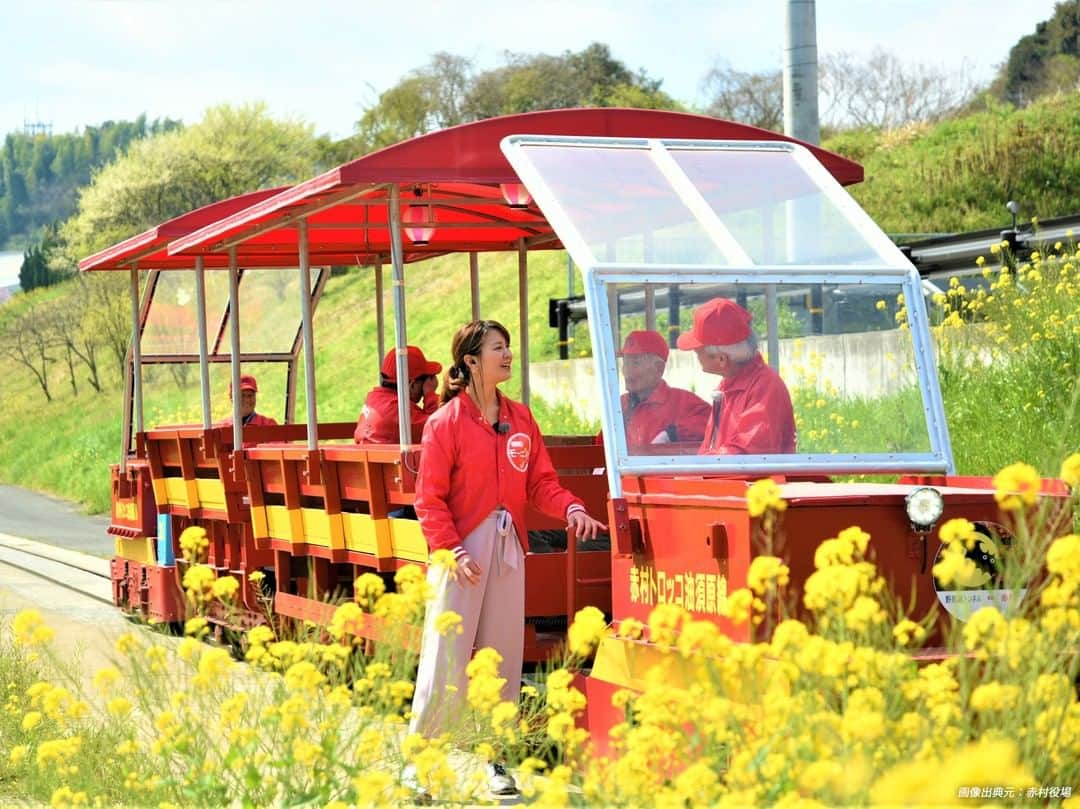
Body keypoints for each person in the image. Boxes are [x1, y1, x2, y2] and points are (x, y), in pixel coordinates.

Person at [406, 320, 606, 798]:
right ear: (471, 361)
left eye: (509, 347)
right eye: (499, 348)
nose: (508, 355)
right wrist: (452, 550)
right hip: (458, 551)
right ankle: (419, 765)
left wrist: (573, 508)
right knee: (445, 659)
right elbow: (428, 499)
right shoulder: (445, 423)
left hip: (508, 549)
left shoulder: (520, 419)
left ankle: (495, 760)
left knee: (501, 658)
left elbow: (540, 482)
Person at [676, 297, 796, 455]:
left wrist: (696, 468)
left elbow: (744, 456)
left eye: (698, 351)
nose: (695, 355)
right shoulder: (728, 384)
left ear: (721, 359)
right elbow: (711, 449)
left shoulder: (766, 387)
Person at [615, 329, 710, 449]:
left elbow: (714, 424)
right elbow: (602, 447)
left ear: (659, 368)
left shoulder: (683, 402)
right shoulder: (620, 404)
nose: (627, 371)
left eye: (635, 363)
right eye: (626, 363)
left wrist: (671, 434)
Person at [354, 346, 441, 444]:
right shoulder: (400, 412)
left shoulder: (374, 399)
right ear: (412, 385)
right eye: (424, 382)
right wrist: (430, 395)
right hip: (390, 459)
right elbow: (438, 430)